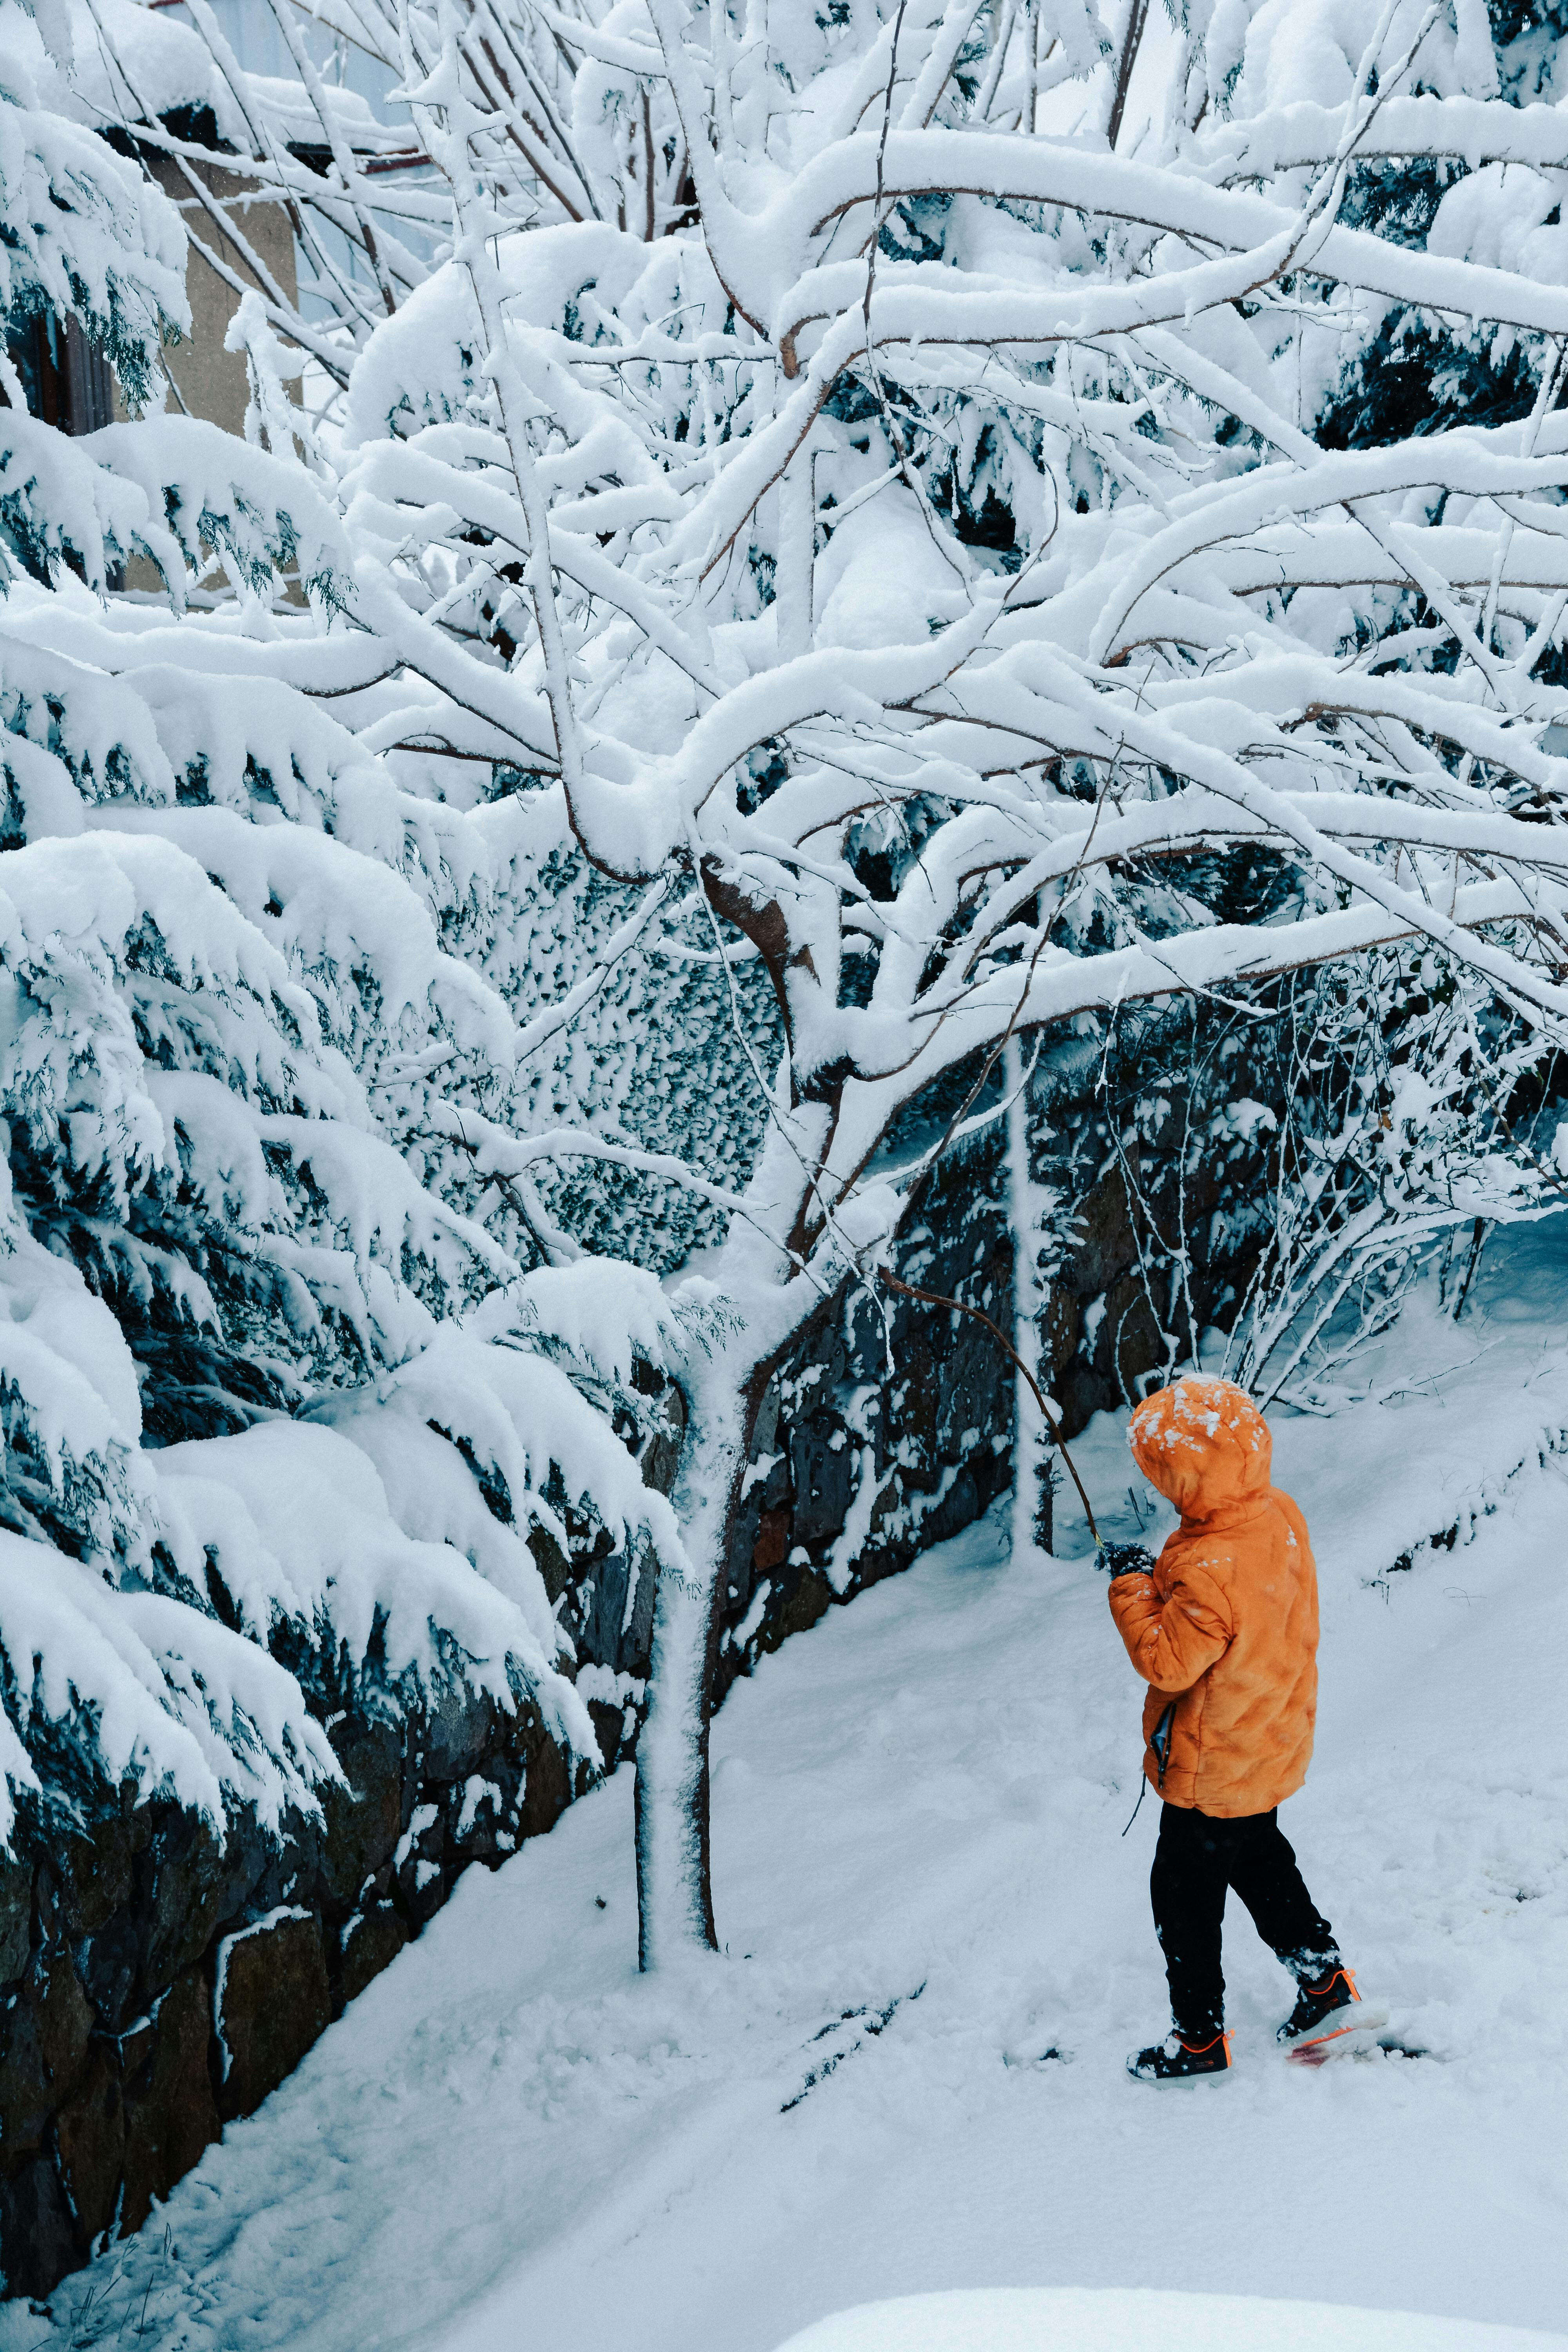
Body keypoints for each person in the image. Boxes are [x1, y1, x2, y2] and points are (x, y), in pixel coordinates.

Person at [1102, 1374, 1381, 2081]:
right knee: (1258, 1859)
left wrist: (1134, 1586)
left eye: (1165, 1476)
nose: (1163, 1489)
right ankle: (1325, 1986)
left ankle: (1198, 2042)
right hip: (1267, 1735)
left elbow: (1167, 1662)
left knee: (1184, 1900)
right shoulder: (1277, 1513)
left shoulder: (1203, 1564)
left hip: (1211, 1763)